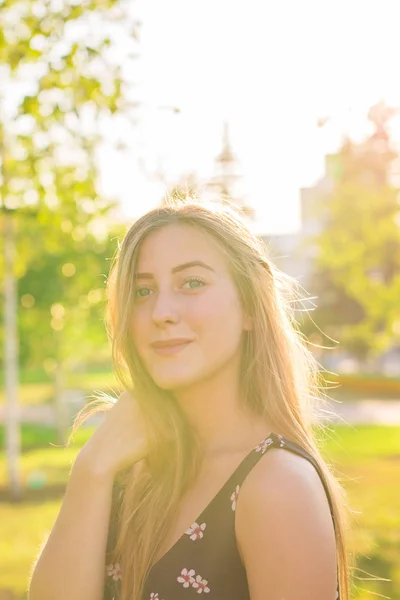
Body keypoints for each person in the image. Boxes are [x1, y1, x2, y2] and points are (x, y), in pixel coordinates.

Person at [28, 198, 352, 600]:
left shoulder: (277, 486)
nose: (161, 311)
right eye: (143, 290)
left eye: (192, 283)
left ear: (251, 306)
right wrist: (91, 471)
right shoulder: (126, 467)